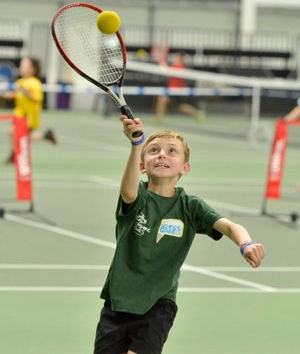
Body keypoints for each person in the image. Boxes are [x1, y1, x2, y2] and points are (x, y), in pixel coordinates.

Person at [93, 115, 265, 354]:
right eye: (153, 151)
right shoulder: (138, 198)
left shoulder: (190, 206)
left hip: (158, 305)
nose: (162, 154)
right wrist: (136, 145)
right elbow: (128, 191)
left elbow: (229, 226)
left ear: (185, 167)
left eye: (172, 151)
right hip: (117, 303)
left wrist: (246, 243)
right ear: (142, 166)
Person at [4, 57, 57, 164]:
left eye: (25, 66)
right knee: (16, 134)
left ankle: (15, 155)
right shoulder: (20, 81)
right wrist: (10, 95)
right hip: (19, 114)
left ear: (33, 69)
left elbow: (38, 98)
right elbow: (18, 95)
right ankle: (45, 136)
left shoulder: (35, 83)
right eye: (21, 66)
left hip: (30, 117)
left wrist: (26, 92)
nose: (21, 68)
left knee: (18, 135)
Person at [154, 51, 204, 124]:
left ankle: (158, 119)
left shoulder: (179, 66)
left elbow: (168, 72)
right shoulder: (176, 65)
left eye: (176, 57)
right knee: (177, 106)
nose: (175, 58)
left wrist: (162, 63)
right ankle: (197, 114)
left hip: (176, 91)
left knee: (164, 100)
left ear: (180, 58)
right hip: (171, 90)